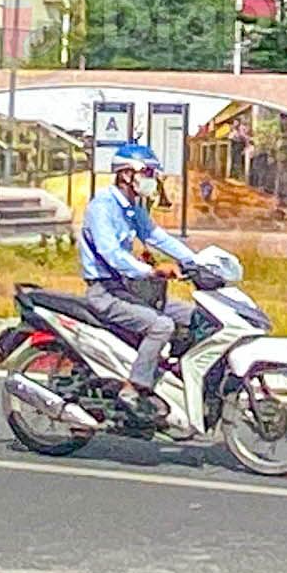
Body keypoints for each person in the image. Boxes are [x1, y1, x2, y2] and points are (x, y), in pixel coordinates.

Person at [78, 143, 201, 416]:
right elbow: (111, 253)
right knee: (161, 325)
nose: (151, 179)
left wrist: (197, 262)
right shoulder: (103, 207)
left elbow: (157, 237)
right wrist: (152, 271)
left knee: (195, 317)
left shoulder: (133, 208)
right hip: (105, 292)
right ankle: (134, 388)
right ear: (125, 175)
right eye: (146, 172)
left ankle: (171, 379)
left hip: (129, 289)